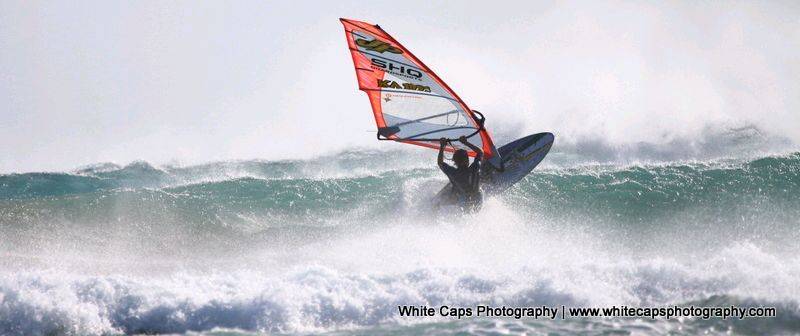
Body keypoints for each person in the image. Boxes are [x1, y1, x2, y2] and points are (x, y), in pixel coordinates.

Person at [438, 135, 483, 210]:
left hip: (463, 201)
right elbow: (480, 152)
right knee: (479, 188)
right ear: (467, 160)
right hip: (478, 199)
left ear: (455, 162)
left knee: (455, 188)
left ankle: (441, 203)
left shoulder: (452, 172)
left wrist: (442, 146)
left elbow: (440, 163)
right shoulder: (475, 167)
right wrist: (465, 142)